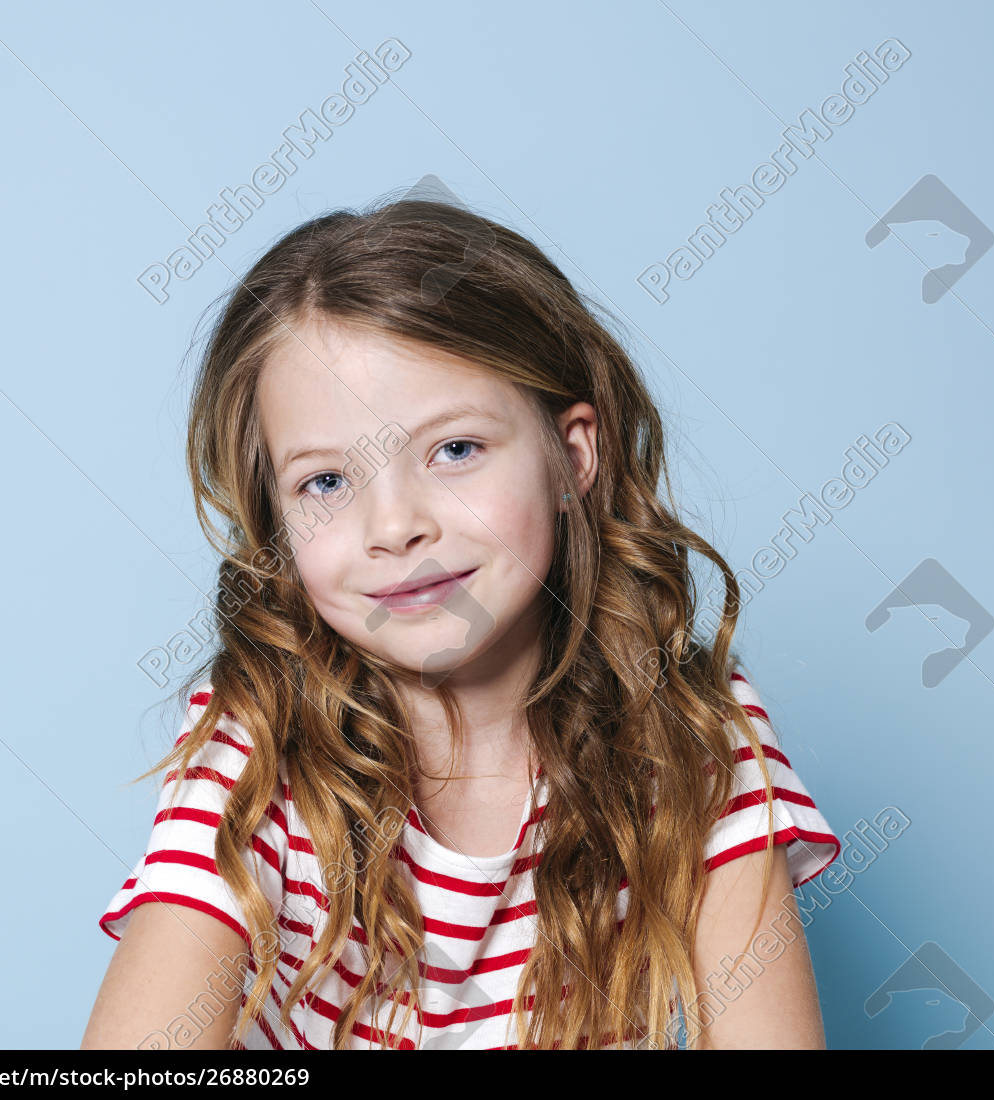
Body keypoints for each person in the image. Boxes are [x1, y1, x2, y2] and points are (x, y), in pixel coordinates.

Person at [82, 189, 841, 1050]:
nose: (396, 526)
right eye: (326, 482)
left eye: (455, 451)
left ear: (572, 458)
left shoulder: (694, 731)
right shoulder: (260, 747)